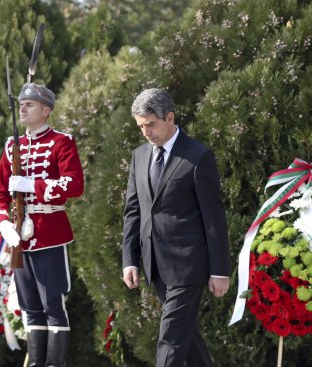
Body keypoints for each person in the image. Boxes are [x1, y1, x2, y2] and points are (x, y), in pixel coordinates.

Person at [121, 88, 231, 367]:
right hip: (154, 265)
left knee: (171, 336)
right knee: (186, 335)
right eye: (141, 125)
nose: (146, 131)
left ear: (170, 117)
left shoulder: (198, 156)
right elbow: (133, 211)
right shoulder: (139, 156)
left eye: (151, 124)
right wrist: (129, 260)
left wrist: (219, 270)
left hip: (189, 265)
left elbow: (214, 217)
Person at [0, 82, 84, 367]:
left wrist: (33, 184)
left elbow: (74, 185)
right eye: (21, 103)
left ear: (46, 111)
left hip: (50, 230)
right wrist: (3, 223)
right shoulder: (12, 146)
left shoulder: (61, 142)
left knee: (53, 304)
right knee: (30, 306)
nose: (22, 108)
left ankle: (55, 363)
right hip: (20, 235)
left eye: (29, 104)